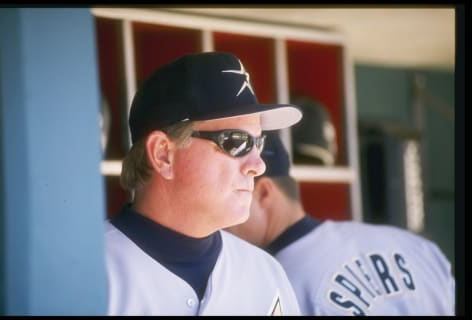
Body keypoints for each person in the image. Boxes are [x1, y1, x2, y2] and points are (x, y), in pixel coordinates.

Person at [104, 51, 303, 315]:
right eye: (236, 141)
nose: (258, 165)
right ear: (164, 154)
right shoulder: (87, 273)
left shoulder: (266, 273)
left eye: (258, 142)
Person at [226, 127, 455, 315]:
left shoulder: (274, 283)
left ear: (264, 193)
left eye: (236, 192)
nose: (222, 222)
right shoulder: (416, 247)